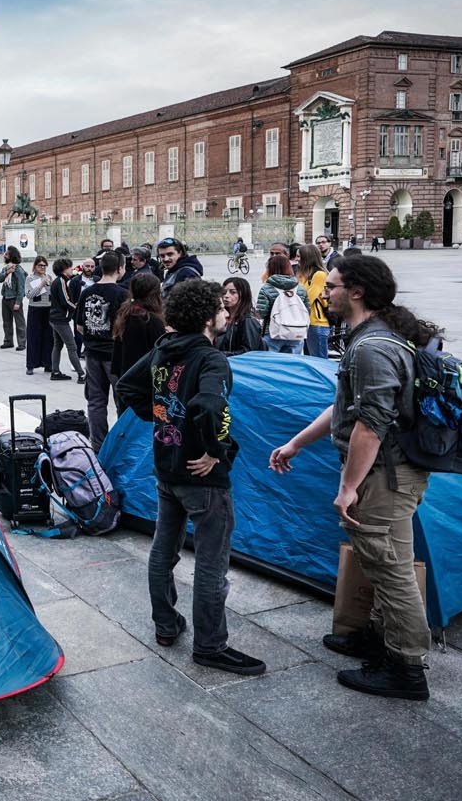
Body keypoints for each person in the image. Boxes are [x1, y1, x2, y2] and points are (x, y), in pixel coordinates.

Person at [269, 256, 440, 701]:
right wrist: (297, 443)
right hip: (389, 475)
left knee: (391, 570)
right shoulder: (371, 339)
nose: (326, 292)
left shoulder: (373, 347)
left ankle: (405, 667)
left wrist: (348, 488)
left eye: (335, 285)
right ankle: (382, 640)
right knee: (385, 563)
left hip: (384, 478)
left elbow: (370, 425)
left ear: (357, 291)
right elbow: (345, 406)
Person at [117, 279, 263, 676]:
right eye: (220, 307)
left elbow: (127, 386)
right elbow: (210, 404)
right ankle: (211, 645)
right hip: (201, 478)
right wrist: (215, 451)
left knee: (164, 548)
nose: (225, 312)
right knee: (212, 562)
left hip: (166, 466)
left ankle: (166, 624)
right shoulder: (211, 358)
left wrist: (161, 416)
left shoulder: (164, 349)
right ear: (205, 317)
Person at [80, 251, 129, 447]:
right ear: (119, 269)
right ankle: (121, 443)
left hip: (92, 352)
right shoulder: (122, 293)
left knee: (96, 401)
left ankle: (98, 444)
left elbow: (80, 326)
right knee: (121, 402)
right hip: (114, 355)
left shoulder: (87, 292)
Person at [111, 272, 166, 383]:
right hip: (143, 381)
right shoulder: (150, 320)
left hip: (125, 376)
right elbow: (160, 353)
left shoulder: (126, 313)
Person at [257, 254, 310, 353]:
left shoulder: (267, 288)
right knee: (291, 365)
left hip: (273, 333)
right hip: (296, 333)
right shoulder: (300, 288)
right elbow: (307, 310)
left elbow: (261, 313)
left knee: (271, 365)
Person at [48, 258, 85, 382]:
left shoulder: (59, 281)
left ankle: (55, 371)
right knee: (72, 346)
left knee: (57, 345)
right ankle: (81, 374)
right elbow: (65, 300)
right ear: (64, 269)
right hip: (60, 319)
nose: (72, 269)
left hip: (55, 318)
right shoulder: (61, 282)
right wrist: (77, 308)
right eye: (70, 267)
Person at [297, 243, 331, 359]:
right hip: (307, 323)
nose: (297, 259)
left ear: (307, 257)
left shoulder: (319, 275)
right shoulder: (304, 275)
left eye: (299, 256)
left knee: (319, 362)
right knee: (310, 361)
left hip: (317, 323)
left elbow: (307, 298)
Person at [216, 277, 263, 355]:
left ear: (243, 295)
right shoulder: (223, 318)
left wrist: (221, 355)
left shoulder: (248, 321)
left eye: (233, 292)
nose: (226, 296)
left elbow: (249, 352)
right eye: (224, 292)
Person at [24, 256, 54, 376]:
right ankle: (31, 365)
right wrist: (41, 284)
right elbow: (29, 295)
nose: (42, 268)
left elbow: (52, 294)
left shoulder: (49, 277)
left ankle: (48, 364)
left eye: (44, 265)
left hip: (48, 309)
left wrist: (50, 285)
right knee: (33, 337)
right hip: (35, 309)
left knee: (48, 337)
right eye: (40, 265)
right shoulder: (29, 278)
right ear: (35, 266)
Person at [0, 246, 27, 351]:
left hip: (14, 299)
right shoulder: (6, 268)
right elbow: (0, 279)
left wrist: (18, 302)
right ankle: (8, 341)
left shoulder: (18, 269)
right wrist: (7, 272)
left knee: (19, 323)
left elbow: (21, 287)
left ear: (12, 256)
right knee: (6, 322)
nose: (4, 255)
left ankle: (22, 343)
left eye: (7, 254)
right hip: (5, 298)